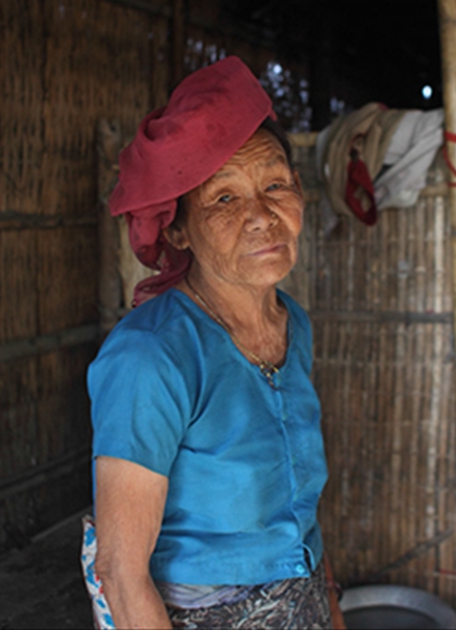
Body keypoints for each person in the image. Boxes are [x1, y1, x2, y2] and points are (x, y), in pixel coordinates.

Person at [84, 57, 340, 629]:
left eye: (276, 185)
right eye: (224, 198)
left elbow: (303, 526)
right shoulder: (150, 357)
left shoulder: (292, 326)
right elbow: (121, 575)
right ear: (177, 228)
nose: (260, 217)